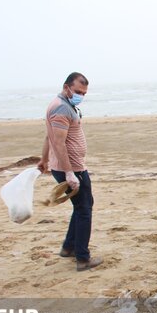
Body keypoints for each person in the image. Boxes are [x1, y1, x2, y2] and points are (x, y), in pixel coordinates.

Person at [37, 72, 102, 272]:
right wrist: (69, 173)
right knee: (84, 210)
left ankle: (68, 247)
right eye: (77, 91)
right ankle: (82, 258)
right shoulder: (62, 108)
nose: (80, 96)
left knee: (83, 205)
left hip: (71, 166)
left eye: (83, 93)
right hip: (72, 168)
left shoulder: (63, 104)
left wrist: (44, 159)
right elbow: (57, 141)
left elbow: (49, 137)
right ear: (67, 87)